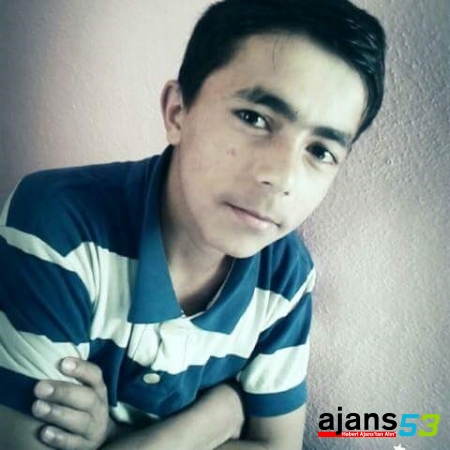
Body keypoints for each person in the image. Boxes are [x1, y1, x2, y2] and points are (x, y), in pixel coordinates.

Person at [0, 0, 386, 448]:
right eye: (254, 118)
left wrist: (116, 435)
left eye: (320, 151)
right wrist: (219, 415)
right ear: (177, 112)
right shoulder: (55, 226)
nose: (281, 178)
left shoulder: (284, 275)